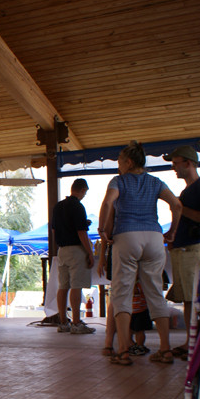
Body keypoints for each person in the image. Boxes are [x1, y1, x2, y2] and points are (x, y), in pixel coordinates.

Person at [99, 140, 182, 366]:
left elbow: (108, 203)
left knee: (122, 293)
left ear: (128, 162)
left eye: (119, 162)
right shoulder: (155, 182)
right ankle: (165, 350)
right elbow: (176, 205)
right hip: (155, 238)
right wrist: (171, 231)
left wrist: (103, 230)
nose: (118, 166)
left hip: (127, 236)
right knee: (155, 293)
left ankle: (124, 350)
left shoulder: (119, 181)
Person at [163, 145, 200, 358]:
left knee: (194, 299)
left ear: (188, 163)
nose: (174, 168)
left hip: (194, 250)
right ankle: (192, 341)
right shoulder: (188, 191)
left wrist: (180, 207)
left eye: (176, 163)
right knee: (189, 299)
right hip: (184, 249)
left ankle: (197, 342)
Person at [52, 179, 96, 334]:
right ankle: (76, 323)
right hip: (76, 249)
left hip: (62, 249)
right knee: (76, 285)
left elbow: (54, 230)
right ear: (82, 190)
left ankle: (63, 322)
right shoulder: (78, 206)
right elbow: (81, 232)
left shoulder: (58, 206)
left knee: (63, 286)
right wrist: (90, 252)